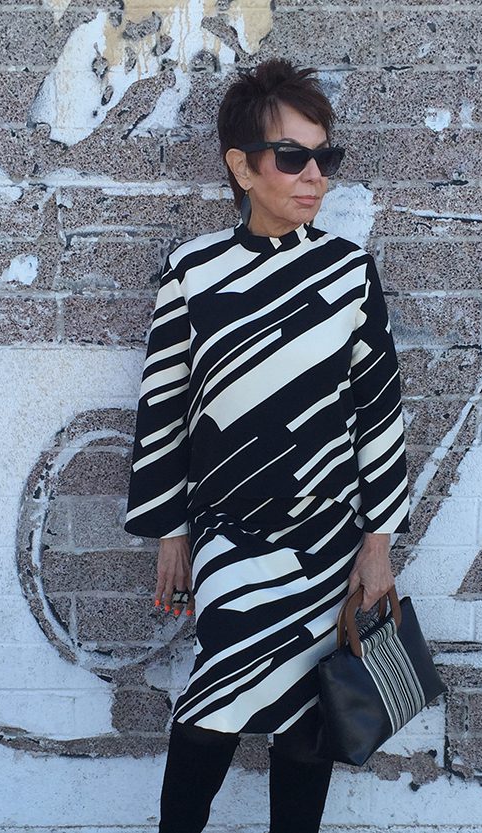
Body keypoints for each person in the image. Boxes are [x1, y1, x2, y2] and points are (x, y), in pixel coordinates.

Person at [125, 58, 409, 833]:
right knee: (215, 700)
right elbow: (164, 409)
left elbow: (379, 413)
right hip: (232, 538)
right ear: (241, 167)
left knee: (306, 728)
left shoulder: (348, 273)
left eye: (326, 156)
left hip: (329, 539)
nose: (315, 174)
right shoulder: (193, 273)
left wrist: (377, 543)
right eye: (294, 156)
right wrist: (172, 531)